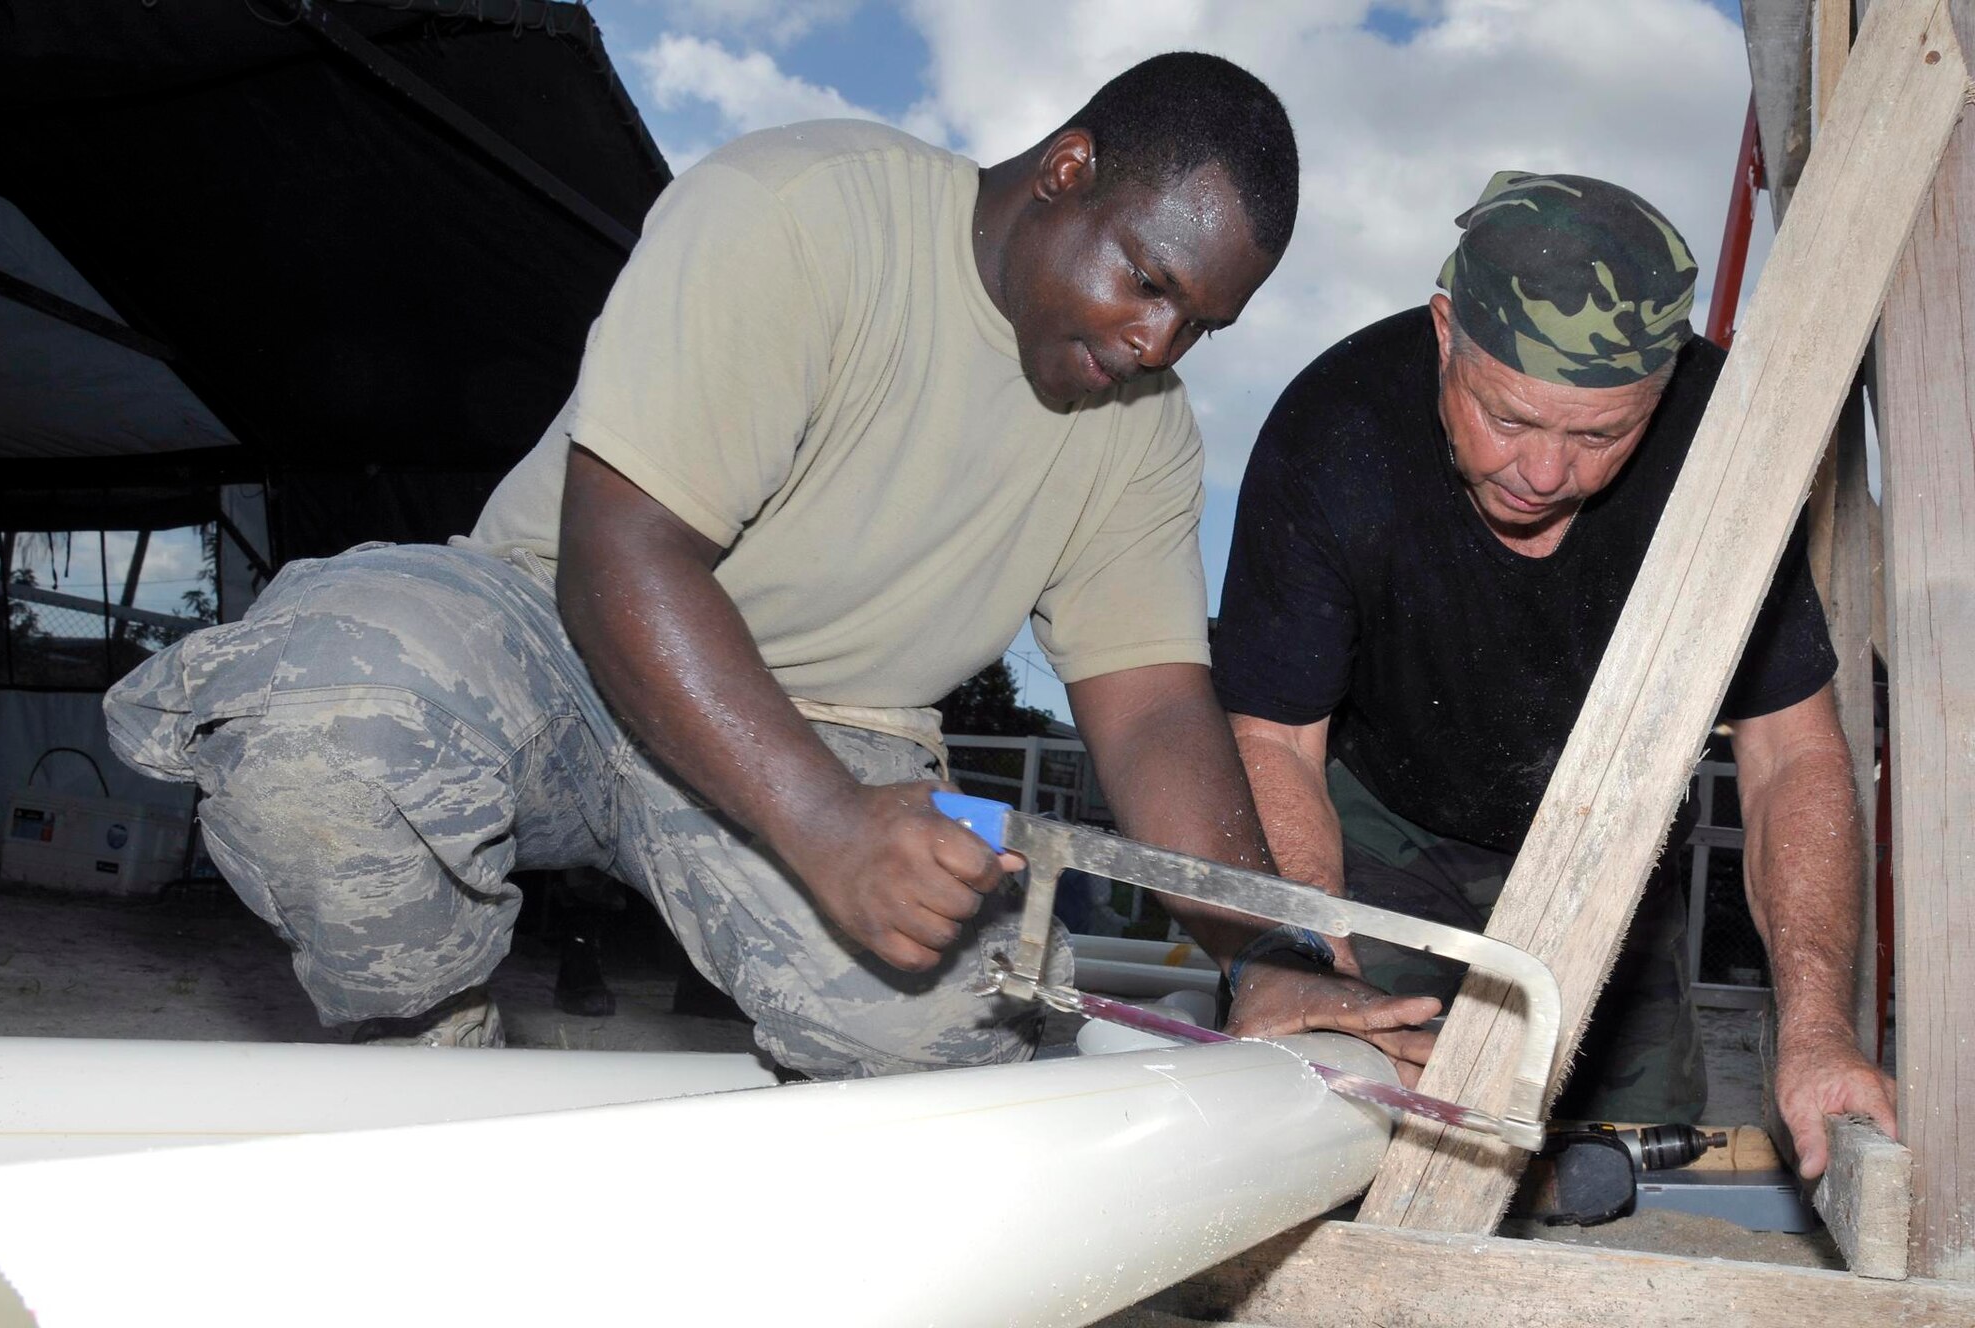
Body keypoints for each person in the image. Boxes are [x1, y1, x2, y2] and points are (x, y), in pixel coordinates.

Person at [105, 53, 1435, 1080]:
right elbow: (621, 556)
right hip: (557, 642)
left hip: (858, 740)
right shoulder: (795, 210)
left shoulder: (1146, 437)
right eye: (1149, 283)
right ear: (1069, 168)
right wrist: (822, 829)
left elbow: (1153, 713)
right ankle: (428, 1056)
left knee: (988, 1030)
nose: (1159, 344)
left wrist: (1259, 959)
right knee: (326, 712)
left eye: (1200, 325)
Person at [1212, 170, 1897, 1178]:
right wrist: (1301, 962)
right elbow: (1272, 742)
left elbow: (1789, 753)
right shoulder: (1333, 433)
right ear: (1445, 332)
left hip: (1603, 838)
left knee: (1630, 1165)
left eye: (1597, 434)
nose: (1541, 473)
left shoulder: (1721, 453)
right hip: (1377, 821)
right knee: (1334, 1113)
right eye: (1508, 417)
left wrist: (1815, 1028)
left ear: (1660, 394)